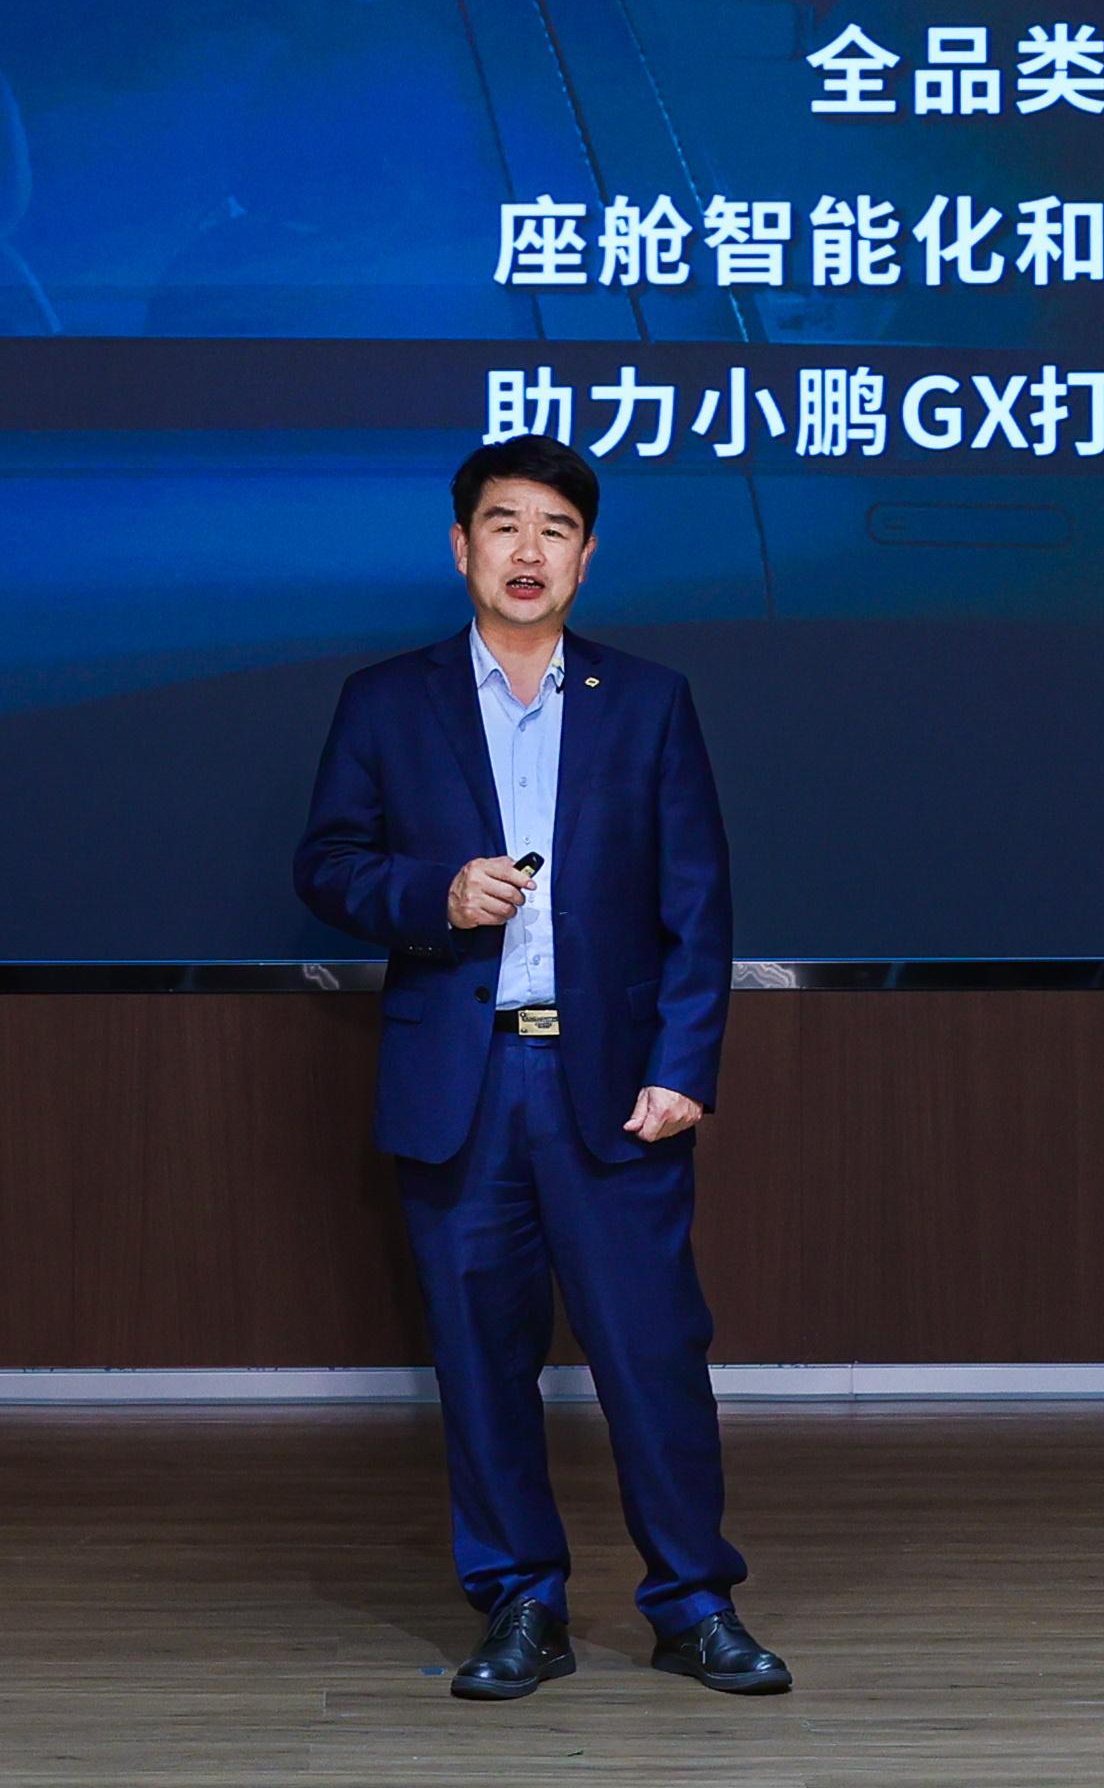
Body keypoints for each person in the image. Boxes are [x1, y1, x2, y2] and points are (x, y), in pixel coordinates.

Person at [292, 434, 790, 1702]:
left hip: (614, 1085)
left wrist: (686, 1064)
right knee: (480, 1358)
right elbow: (327, 865)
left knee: (652, 1351)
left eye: (555, 528)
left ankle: (694, 1604)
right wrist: (434, 892)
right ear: (461, 545)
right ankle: (522, 1602)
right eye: (504, 524)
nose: (528, 549)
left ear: (587, 555)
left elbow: (699, 903)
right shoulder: (386, 699)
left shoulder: (649, 699)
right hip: (460, 1084)